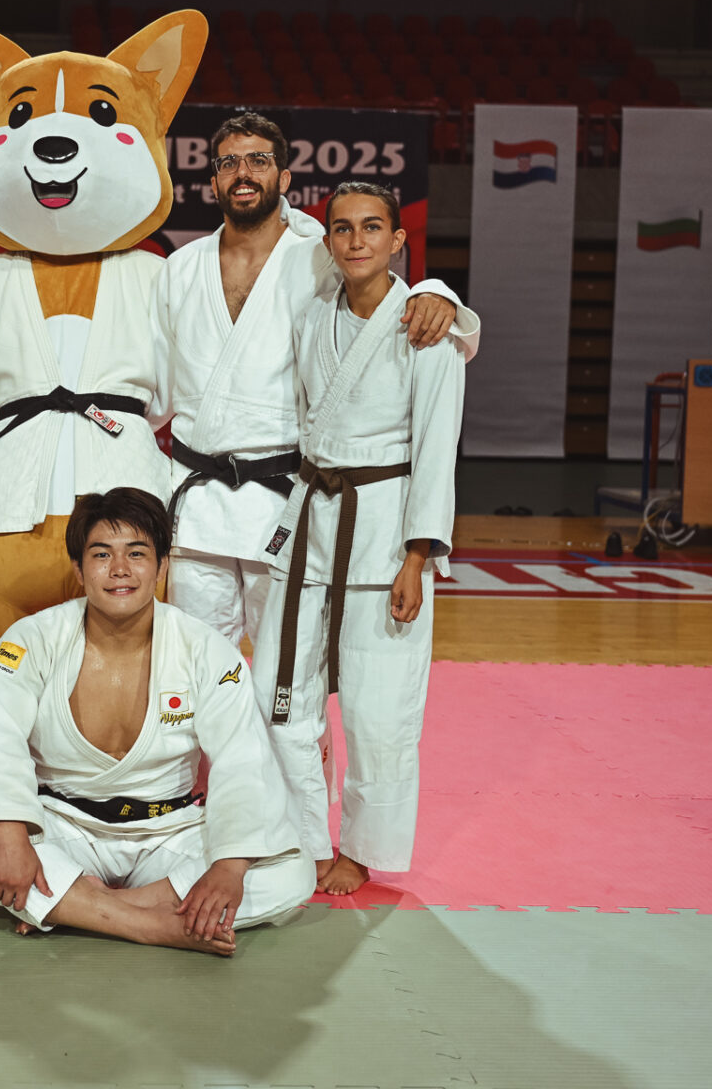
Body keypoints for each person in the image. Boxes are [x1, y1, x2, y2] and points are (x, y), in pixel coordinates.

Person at [152, 111, 478, 650]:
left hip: (285, 502)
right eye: (229, 163)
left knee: (286, 675)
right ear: (212, 181)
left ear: (284, 177)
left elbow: (382, 293)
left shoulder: (317, 254)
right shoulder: (180, 268)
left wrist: (437, 292)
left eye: (259, 160)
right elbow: (153, 386)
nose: (243, 173)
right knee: (193, 668)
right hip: (198, 506)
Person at [0, 489, 313, 956]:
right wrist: (12, 838)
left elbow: (243, 758)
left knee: (291, 871)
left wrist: (228, 866)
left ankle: (81, 907)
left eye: (137, 554)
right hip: (62, 824)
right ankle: (152, 926)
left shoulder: (205, 648)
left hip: (169, 830)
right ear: (79, 570)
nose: (120, 569)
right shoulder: (33, 639)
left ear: (162, 567)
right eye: (102, 555)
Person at [251, 182, 466, 896]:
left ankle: (363, 848)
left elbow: (436, 449)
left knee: (380, 713)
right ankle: (304, 838)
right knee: (278, 695)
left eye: (372, 227)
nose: (356, 240)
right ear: (328, 242)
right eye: (342, 229)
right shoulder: (315, 314)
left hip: (385, 533)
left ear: (398, 241)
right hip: (311, 519)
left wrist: (418, 555)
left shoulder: (428, 330)